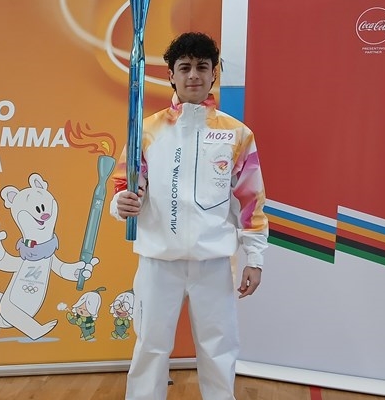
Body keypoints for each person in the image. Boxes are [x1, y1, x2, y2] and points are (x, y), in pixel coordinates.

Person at [109, 32, 269, 400]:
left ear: (214, 74)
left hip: (213, 262)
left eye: (202, 67)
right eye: (185, 67)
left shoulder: (237, 135)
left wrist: (255, 258)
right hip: (157, 260)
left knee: (219, 349)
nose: (193, 75)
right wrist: (123, 204)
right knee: (150, 347)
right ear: (171, 75)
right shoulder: (146, 130)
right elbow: (124, 184)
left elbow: (251, 201)